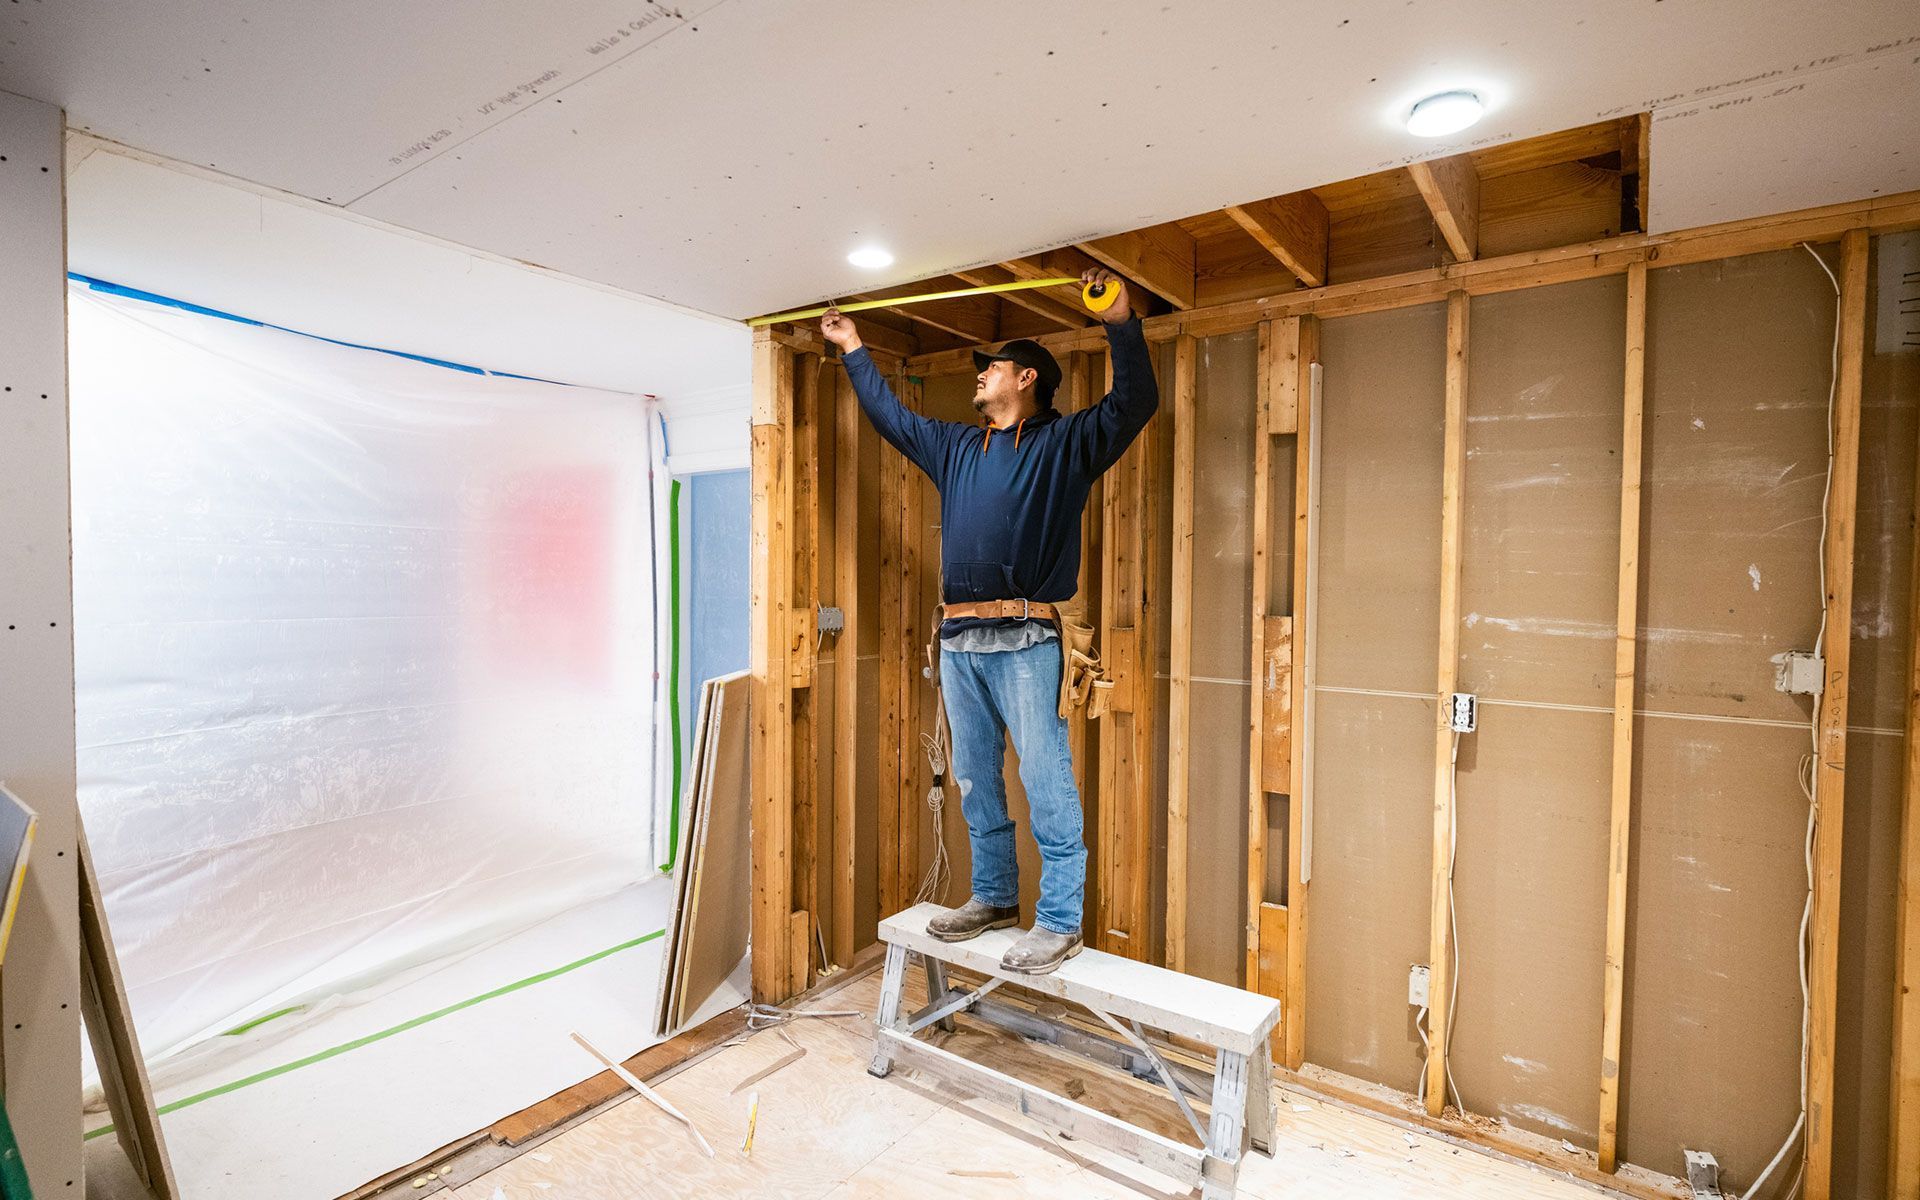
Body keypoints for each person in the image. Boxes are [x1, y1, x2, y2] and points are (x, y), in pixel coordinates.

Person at [820, 267, 1158, 974]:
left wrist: (1119, 320)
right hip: (960, 641)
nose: (980, 379)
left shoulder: (1066, 445)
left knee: (1045, 777)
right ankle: (996, 896)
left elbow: (1135, 402)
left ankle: (1060, 919)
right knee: (975, 774)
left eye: (991, 369)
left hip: (1029, 641)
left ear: (1027, 378)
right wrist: (853, 348)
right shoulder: (956, 448)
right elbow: (893, 420)